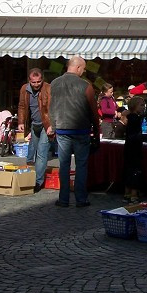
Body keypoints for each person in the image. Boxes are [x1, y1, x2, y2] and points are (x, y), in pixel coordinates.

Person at [49, 56, 100, 207]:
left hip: (62, 129)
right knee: (81, 165)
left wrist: (53, 125)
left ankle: (63, 199)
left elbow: (50, 107)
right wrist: (96, 129)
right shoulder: (85, 85)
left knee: (64, 164)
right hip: (81, 130)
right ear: (78, 68)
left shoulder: (54, 83)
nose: (83, 71)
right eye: (83, 69)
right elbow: (93, 110)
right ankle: (81, 198)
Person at [17, 68, 53, 192]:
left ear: (42, 80)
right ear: (29, 81)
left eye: (39, 82)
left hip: (45, 124)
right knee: (35, 152)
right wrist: (21, 122)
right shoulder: (24, 89)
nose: (37, 84)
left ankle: (38, 182)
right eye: (34, 82)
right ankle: (33, 177)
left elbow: (53, 107)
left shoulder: (48, 88)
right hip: (33, 124)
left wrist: (51, 125)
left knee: (42, 153)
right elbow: (22, 106)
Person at [122, 96, 145, 204]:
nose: (143, 107)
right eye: (141, 105)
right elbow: (135, 135)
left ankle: (127, 192)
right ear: (134, 106)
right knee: (135, 170)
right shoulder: (135, 119)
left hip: (129, 147)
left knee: (128, 169)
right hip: (134, 148)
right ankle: (134, 194)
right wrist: (145, 137)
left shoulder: (131, 118)